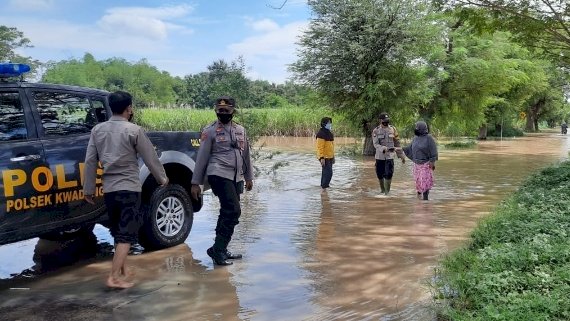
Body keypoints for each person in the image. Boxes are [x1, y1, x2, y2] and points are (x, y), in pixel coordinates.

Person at [83, 91, 169, 289]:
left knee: (117, 230)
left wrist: (88, 189)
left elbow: (90, 161)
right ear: (129, 109)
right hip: (129, 187)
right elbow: (150, 158)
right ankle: (113, 277)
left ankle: (123, 269)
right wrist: (162, 178)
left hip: (110, 189)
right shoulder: (134, 130)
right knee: (126, 233)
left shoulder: (97, 130)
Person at [190, 96, 253, 266]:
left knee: (229, 212)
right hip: (218, 173)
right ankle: (218, 250)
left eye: (226, 110)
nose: (222, 113)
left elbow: (245, 155)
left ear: (233, 111)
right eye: (220, 110)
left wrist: (248, 177)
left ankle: (220, 248)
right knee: (233, 210)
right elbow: (202, 157)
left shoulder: (240, 130)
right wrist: (196, 182)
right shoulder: (209, 131)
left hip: (236, 176)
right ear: (216, 111)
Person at [403, 121, 438, 201]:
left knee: (424, 182)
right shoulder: (415, 138)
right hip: (416, 165)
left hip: (426, 164)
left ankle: (425, 201)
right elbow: (409, 148)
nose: (416, 129)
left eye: (417, 128)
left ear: (422, 129)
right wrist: (400, 149)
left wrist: (432, 162)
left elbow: (434, 151)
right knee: (418, 182)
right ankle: (419, 200)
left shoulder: (429, 138)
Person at [372, 112, 405, 196]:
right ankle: (382, 190)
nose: (386, 122)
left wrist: (401, 156)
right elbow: (375, 144)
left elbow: (397, 143)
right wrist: (383, 148)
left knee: (389, 174)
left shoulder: (393, 129)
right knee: (380, 174)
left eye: (387, 120)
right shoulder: (375, 131)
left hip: (390, 156)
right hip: (380, 157)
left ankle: (387, 193)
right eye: (384, 121)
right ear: (380, 120)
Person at [316, 117, 335, 190]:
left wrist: (333, 156)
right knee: (329, 173)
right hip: (324, 157)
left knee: (325, 173)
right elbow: (319, 147)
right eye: (328, 123)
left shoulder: (330, 133)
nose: (330, 124)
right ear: (324, 124)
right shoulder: (321, 133)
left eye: (330, 123)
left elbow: (332, 146)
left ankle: (323, 188)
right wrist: (321, 158)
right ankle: (324, 187)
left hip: (330, 156)